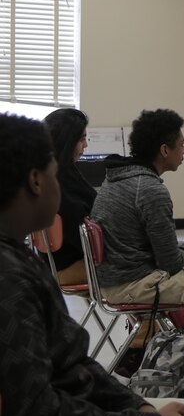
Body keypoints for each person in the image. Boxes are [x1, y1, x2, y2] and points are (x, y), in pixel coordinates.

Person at [0, 113, 184, 416]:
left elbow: (72, 364)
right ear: (35, 181)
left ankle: (156, 348)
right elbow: (32, 414)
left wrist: (137, 407)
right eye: (53, 171)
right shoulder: (9, 278)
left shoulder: (22, 259)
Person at [90, 109, 184, 372]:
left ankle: (158, 348)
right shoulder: (151, 190)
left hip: (111, 280)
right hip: (132, 284)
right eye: (182, 144)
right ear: (164, 150)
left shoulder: (115, 178)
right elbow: (170, 261)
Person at [43, 107, 97, 286]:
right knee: (147, 267)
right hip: (69, 265)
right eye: (82, 139)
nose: (86, 145)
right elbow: (81, 234)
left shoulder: (52, 171)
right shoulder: (58, 182)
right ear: (66, 141)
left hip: (57, 262)